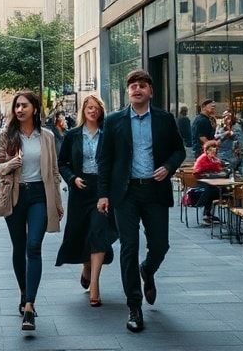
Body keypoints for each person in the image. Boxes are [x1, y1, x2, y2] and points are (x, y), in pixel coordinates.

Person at [97, 69, 185, 334]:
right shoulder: (113, 121)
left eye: (142, 86)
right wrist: (103, 194)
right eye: (132, 86)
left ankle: (147, 269)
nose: (137, 89)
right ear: (128, 92)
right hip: (126, 193)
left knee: (160, 244)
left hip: (155, 190)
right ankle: (134, 306)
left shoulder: (165, 119)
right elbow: (104, 160)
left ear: (150, 91)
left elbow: (179, 150)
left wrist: (168, 166)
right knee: (129, 246)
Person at [0, 90, 63, 334]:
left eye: (24, 105)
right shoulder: (6, 135)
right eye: (16, 106)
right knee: (19, 247)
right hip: (15, 195)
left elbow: (54, 171)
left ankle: (30, 305)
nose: (19, 110)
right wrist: (9, 165)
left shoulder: (47, 137)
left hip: (39, 196)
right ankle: (23, 293)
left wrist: (58, 202)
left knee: (34, 246)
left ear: (34, 108)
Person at [55, 94, 116, 307]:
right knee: (82, 232)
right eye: (89, 107)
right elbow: (61, 163)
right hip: (80, 190)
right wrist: (72, 179)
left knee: (98, 231)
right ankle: (87, 267)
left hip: (102, 189)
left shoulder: (108, 134)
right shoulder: (72, 135)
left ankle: (96, 285)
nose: (92, 111)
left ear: (100, 111)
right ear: (84, 111)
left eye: (96, 107)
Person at [193, 140, 227, 225]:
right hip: (201, 181)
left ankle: (207, 214)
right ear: (207, 149)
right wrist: (215, 165)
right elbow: (198, 171)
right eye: (212, 149)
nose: (214, 151)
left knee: (223, 190)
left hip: (212, 181)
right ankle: (205, 212)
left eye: (215, 149)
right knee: (212, 191)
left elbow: (218, 169)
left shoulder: (213, 158)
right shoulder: (203, 157)